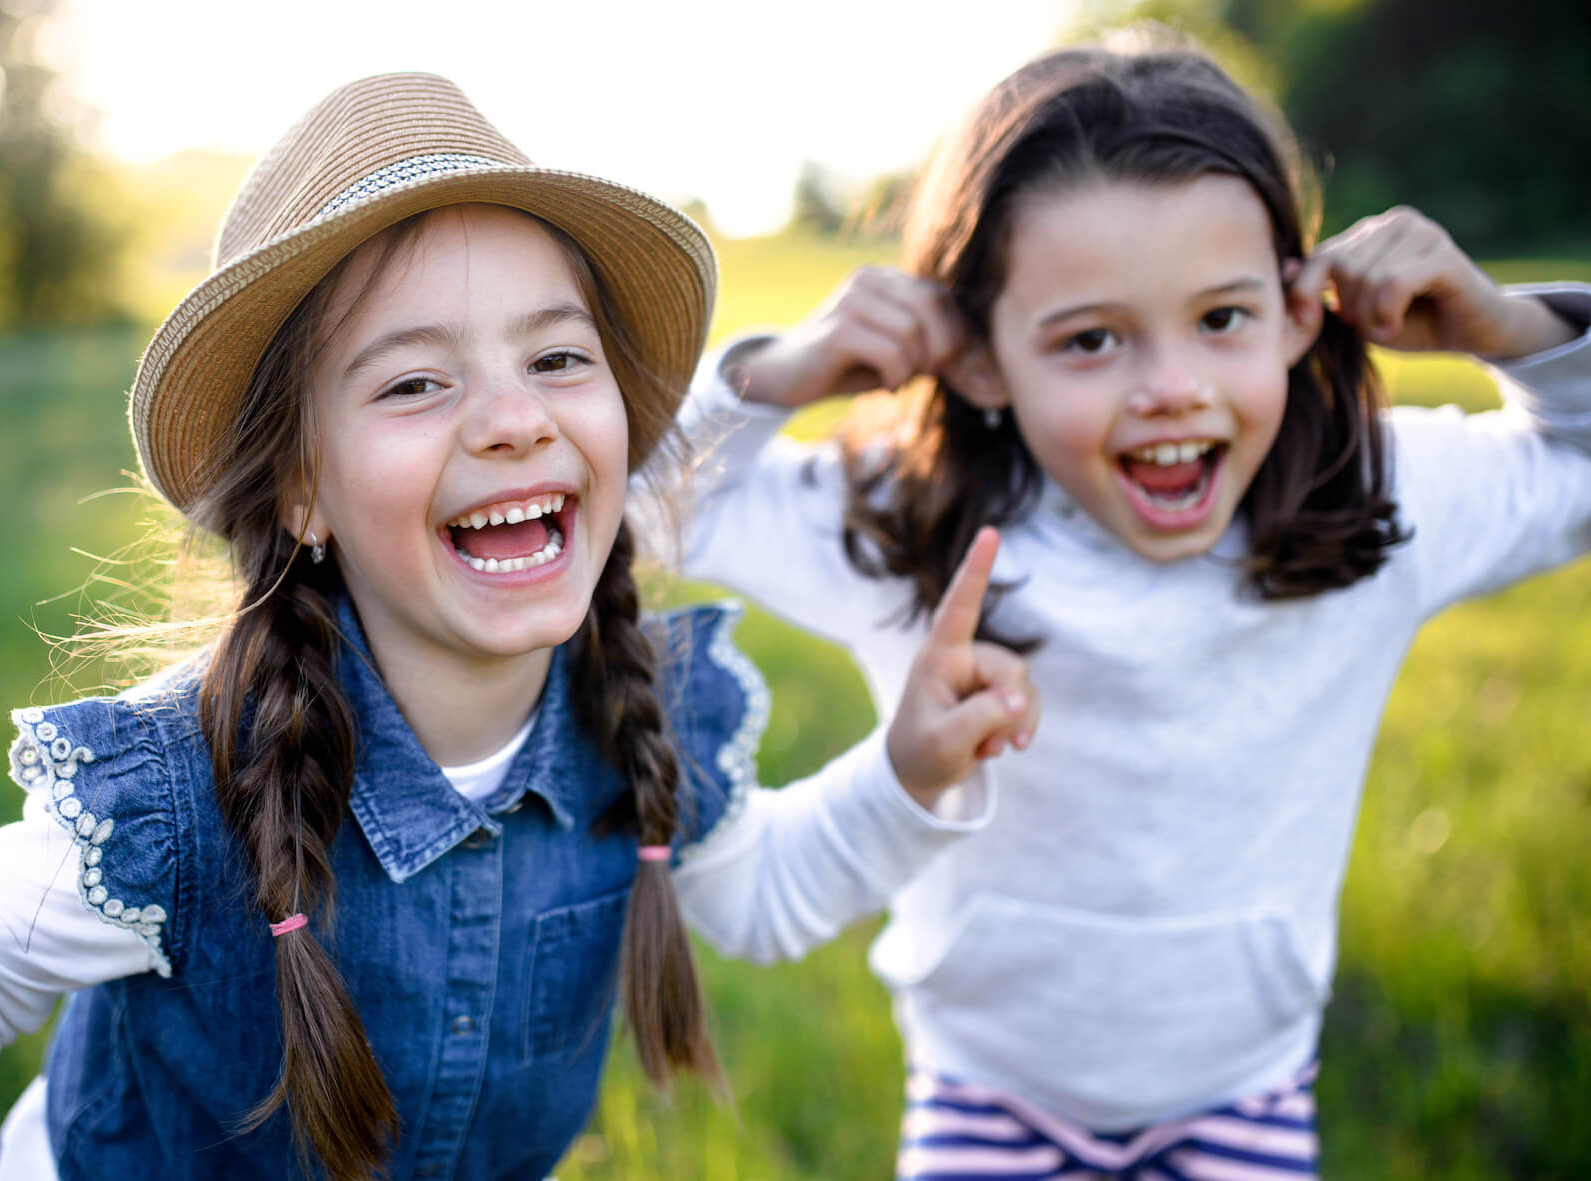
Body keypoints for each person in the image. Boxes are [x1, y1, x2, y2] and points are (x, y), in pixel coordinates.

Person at [0, 73, 1041, 1181]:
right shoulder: (179, 788)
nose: (513, 416)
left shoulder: (636, 721)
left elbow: (760, 894)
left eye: (558, 358)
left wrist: (909, 774)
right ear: (300, 489)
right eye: (416, 380)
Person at [677, 33, 1591, 1180]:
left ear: (1301, 313)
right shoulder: (907, 521)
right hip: (988, 1092)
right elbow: (637, 510)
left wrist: (1508, 330)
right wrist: (779, 375)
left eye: (1222, 318)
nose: (1172, 385)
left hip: (1241, 1092)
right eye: (1092, 338)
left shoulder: (1375, 500)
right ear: (977, 359)